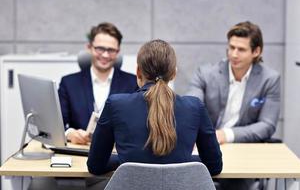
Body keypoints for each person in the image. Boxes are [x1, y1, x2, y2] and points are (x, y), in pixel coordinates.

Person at [87, 39, 223, 177]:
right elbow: (214, 166)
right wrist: (185, 161)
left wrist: (125, 160)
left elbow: (95, 166)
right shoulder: (195, 107)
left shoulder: (116, 104)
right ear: (174, 74)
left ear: (138, 72)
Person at [187, 21, 280, 189]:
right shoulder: (206, 73)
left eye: (241, 49)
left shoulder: (269, 79)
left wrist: (226, 135)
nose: (234, 54)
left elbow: (267, 125)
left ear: (256, 51)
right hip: (205, 149)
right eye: (231, 47)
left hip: (244, 153)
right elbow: (191, 107)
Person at [58, 22, 137, 145]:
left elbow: (137, 125)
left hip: (117, 153)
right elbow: (58, 125)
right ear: (89, 47)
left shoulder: (133, 83)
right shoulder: (68, 83)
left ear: (118, 52)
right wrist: (70, 134)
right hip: (79, 150)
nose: (105, 55)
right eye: (100, 49)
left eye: (111, 50)